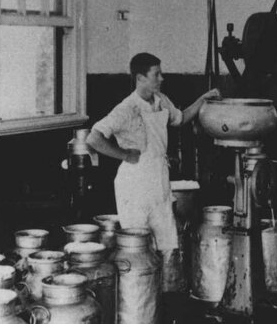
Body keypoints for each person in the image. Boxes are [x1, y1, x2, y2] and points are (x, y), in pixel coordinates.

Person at [87, 53, 219, 255]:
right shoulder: (127, 108)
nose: (162, 78)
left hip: (158, 177)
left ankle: (160, 286)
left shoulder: (161, 100)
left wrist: (203, 99)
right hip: (135, 182)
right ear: (140, 78)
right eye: (156, 75)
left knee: (163, 241)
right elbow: (94, 138)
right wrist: (123, 154)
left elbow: (181, 118)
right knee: (138, 244)